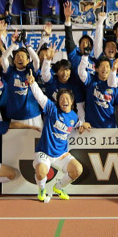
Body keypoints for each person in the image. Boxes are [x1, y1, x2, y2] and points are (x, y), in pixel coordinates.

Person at [26, 69, 92, 202]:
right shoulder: (52, 110)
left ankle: (59, 187)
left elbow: (76, 123)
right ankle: (42, 190)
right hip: (44, 152)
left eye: (67, 98)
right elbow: (40, 97)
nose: (64, 100)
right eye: (61, 99)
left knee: (77, 170)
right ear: (58, 101)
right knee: (41, 171)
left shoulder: (73, 116)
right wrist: (33, 84)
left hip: (61, 154)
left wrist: (83, 124)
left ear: (72, 102)